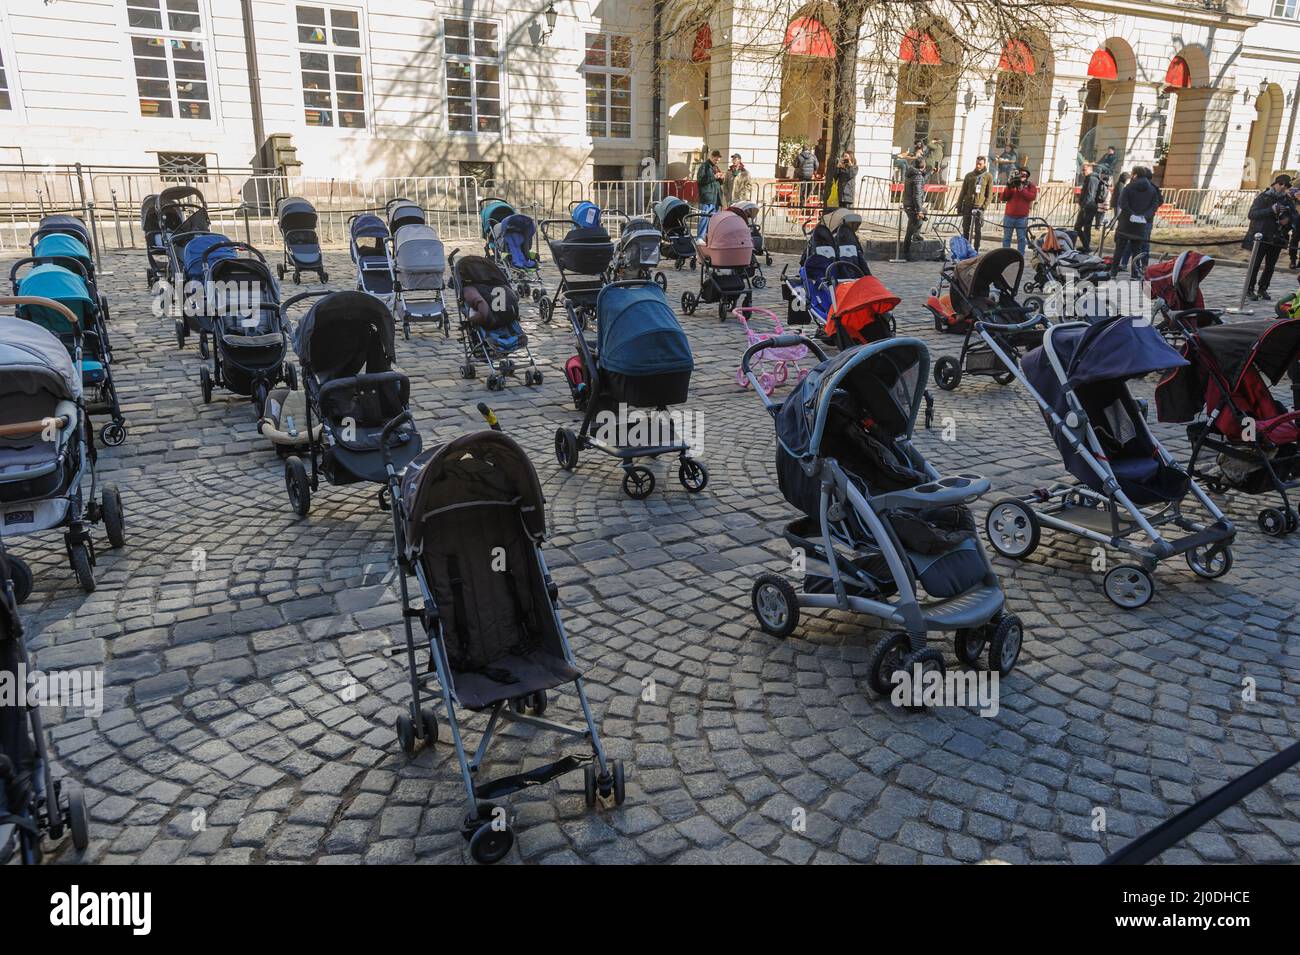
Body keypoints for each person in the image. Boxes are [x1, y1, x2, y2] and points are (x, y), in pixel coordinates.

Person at [1242, 173, 1295, 300]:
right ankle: (1249, 289)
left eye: (1286, 185)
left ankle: (1263, 288)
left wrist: (1288, 220)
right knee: (1255, 265)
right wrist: (1271, 210)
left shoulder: (1287, 200)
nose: (1282, 187)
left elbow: (1295, 216)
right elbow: (1252, 214)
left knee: (1270, 266)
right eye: (1280, 184)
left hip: (1277, 238)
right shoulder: (1263, 197)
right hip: (1261, 236)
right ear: (1275, 184)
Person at [1109, 165, 1163, 279]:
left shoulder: (1128, 187)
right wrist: (1143, 216)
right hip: (1140, 224)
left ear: (1135, 175)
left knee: (1119, 249)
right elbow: (1154, 206)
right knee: (1136, 250)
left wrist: (1132, 214)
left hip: (1126, 223)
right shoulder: (1152, 189)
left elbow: (1122, 203)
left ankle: (1113, 272)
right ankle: (1134, 273)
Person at [955, 155, 993, 250]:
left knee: (977, 229)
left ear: (984, 164)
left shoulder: (988, 176)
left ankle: (976, 248)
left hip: (979, 206)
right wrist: (959, 206)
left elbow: (989, 194)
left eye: (980, 164)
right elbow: (963, 191)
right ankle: (965, 247)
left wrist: (984, 206)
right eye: (977, 164)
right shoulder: (969, 175)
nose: (978, 166)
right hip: (968, 205)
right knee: (966, 228)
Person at [1001, 164, 1037, 254]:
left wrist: (1021, 189)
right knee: (1006, 238)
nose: (1022, 177)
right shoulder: (1013, 184)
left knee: (1021, 238)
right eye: (1021, 175)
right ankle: (1005, 255)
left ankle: (1020, 256)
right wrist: (1009, 186)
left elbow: (1032, 197)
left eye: (1024, 175)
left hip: (1022, 217)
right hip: (1009, 216)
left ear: (1027, 176)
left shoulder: (1030, 186)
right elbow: (1003, 197)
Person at [1073, 162, 1104, 253]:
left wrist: (1084, 207)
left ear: (1090, 169)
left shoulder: (1092, 178)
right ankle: (1086, 246)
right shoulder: (1089, 178)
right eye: (1082, 170)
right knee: (1082, 227)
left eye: (1084, 170)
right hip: (1088, 205)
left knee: (1081, 227)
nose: (1083, 172)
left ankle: (1086, 246)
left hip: (1089, 206)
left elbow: (1090, 194)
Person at [902, 156, 928, 261]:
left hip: (909, 204)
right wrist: (919, 210)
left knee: (923, 214)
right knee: (910, 229)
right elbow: (917, 195)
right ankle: (906, 253)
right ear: (923, 165)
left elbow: (922, 178)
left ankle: (916, 234)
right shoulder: (917, 178)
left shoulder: (912, 174)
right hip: (913, 206)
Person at [696, 148, 723, 238]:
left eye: (718, 160)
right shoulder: (704, 166)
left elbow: (716, 182)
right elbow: (701, 180)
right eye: (716, 159)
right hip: (707, 197)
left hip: (715, 197)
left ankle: (709, 237)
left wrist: (721, 178)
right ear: (711, 157)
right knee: (704, 218)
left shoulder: (715, 167)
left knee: (713, 220)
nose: (717, 161)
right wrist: (714, 176)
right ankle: (700, 237)